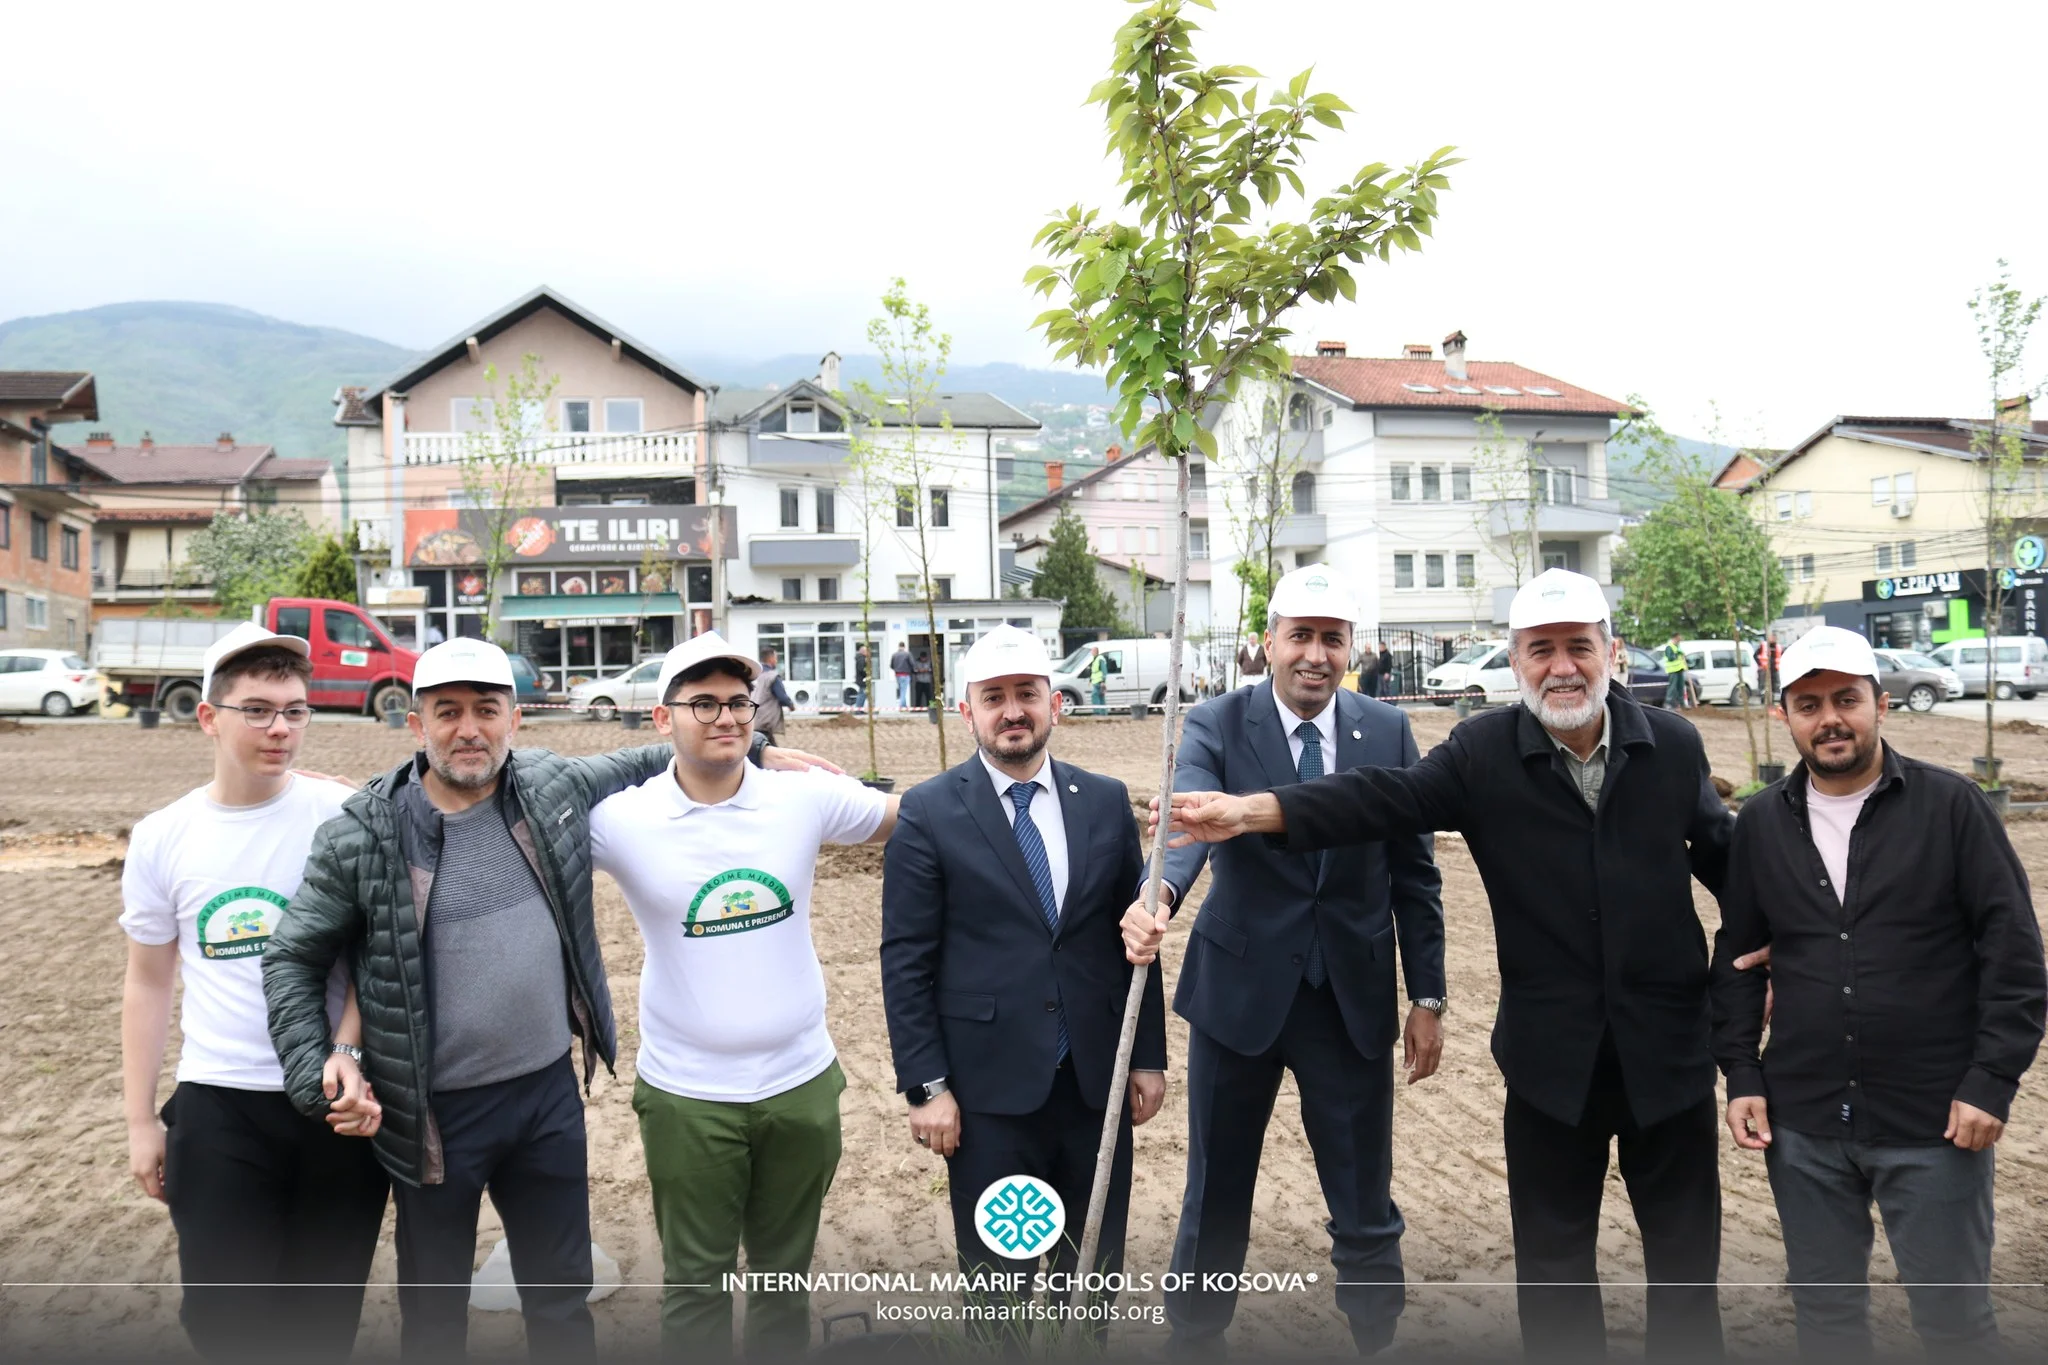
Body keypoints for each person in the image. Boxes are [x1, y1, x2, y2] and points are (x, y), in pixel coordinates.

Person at [1159, 568, 1734, 1362]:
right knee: (1555, 1282)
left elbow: (1734, 866)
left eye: (1578, 646)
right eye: (1541, 650)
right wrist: (1248, 813)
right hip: (1547, 1063)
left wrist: (1754, 967)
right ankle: (1199, 1331)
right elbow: (1375, 799)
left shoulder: (1673, 746)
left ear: (1613, 651)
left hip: (1666, 1056)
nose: (1562, 667)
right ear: (1515, 659)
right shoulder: (1484, 752)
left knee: (1686, 1276)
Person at [265, 638, 838, 1362]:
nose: (469, 729)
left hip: (546, 1097)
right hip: (432, 1111)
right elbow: (293, 955)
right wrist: (317, 1067)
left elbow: (648, 756)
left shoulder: (548, 790)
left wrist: (754, 751)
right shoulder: (364, 832)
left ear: (515, 720)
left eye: (486, 710)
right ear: (416, 724)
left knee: (562, 1299)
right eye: (447, 712)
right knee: (435, 1314)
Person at [1122, 565, 1445, 1357]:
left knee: (1363, 1193)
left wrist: (1428, 994)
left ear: (1351, 648)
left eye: (1332, 639)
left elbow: (1415, 872)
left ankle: (1377, 1334)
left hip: (1350, 998)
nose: (1315, 655)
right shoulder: (1218, 722)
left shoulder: (1387, 730)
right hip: (1239, 996)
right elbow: (1191, 821)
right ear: (1267, 643)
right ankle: (1195, 1335)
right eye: (1300, 635)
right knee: (1216, 1189)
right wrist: (1159, 893)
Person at [1710, 626, 2045, 1362]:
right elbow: (1737, 956)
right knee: (1826, 1320)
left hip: (1935, 1121)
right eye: (1808, 704)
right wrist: (1741, 1071)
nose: (1829, 719)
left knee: (1955, 1325)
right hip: (1804, 1124)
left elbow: (2015, 954)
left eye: (1846, 699)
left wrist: (1991, 1081)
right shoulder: (1762, 822)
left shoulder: (1952, 807)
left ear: (1881, 705)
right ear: (1783, 716)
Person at [591, 632, 901, 1357]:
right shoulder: (622, 820)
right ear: (662, 718)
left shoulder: (801, 798)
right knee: (695, 1284)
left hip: (800, 1083)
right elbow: (528, 796)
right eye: (702, 703)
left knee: (783, 1280)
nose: (726, 716)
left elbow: (920, 817)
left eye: (738, 702)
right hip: (687, 1095)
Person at [880, 625, 1167, 1340]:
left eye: (1027, 694)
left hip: (1094, 1089)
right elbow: (906, 959)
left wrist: (1147, 1056)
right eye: (994, 697)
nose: (1013, 711)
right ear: (966, 711)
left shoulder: (1103, 801)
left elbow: (1135, 938)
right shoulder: (930, 811)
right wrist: (926, 1086)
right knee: (999, 1299)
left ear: (1054, 704)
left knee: (1090, 1287)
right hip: (990, 1100)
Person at [121, 623, 389, 1363]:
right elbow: (147, 981)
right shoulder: (163, 836)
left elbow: (377, 955)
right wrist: (141, 1121)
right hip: (219, 1105)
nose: (281, 729)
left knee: (319, 1328)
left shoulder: (341, 817)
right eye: (259, 710)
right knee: (226, 1323)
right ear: (209, 717)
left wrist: (348, 1053)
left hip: (336, 1107)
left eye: (296, 710)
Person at [752, 646, 794, 746]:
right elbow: (782, 696)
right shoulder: (772, 676)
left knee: (764, 744)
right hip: (765, 719)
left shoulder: (755, 675)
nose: (776, 661)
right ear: (771, 659)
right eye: (776, 658)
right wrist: (791, 705)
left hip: (753, 716)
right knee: (766, 746)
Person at [1662, 633, 1690, 710]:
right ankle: (1668, 703)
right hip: (1673, 670)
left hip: (1680, 669)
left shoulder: (1678, 646)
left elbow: (1680, 657)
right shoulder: (1669, 647)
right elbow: (1670, 658)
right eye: (1678, 638)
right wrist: (1677, 654)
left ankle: (1681, 703)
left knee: (1681, 687)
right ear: (1675, 638)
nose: (1680, 640)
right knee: (1672, 687)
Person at [1754, 632, 1782, 701]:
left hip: (1775, 669)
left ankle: (1775, 699)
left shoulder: (1778, 647)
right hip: (1764, 669)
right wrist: (1760, 664)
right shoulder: (1763, 645)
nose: (1773, 639)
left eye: (1774, 638)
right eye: (1771, 637)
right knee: (1763, 685)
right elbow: (1755, 655)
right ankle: (1764, 699)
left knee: (1776, 684)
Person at [891, 640, 915, 711]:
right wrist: (912, 671)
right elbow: (912, 664)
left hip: (897, 675)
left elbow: (891, 665)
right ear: (904, 647)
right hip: (905, 674)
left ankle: (904, 706)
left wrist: (896, 669)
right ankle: (901, 706)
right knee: (903, 691)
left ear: (898, 646)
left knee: (901, 690)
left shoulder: (894, 655)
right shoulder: (907, 654)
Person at [1089, 645, 1109, 712]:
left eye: (1092, 651)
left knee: (1094, 695)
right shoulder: (1095, 659)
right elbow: (1094, 671)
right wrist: (1090, 679)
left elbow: (1104, 670)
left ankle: (1097, 712)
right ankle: (1103, 713)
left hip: (1099, 681)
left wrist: (1103, 681)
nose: (1091, 652)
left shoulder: (1100, 659)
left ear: (1095, 651)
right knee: (1101, 697)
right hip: (1096, 681)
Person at [854, 641, 871, 709]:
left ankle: (859, 708)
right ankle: (858, 709)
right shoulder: (861, 659)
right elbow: (861, 669)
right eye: (866, 651)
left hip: (861, 679)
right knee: (862, 694)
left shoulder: (860, 658)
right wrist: (866, 674)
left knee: (862, 693)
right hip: (862, 679)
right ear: (863, 651)